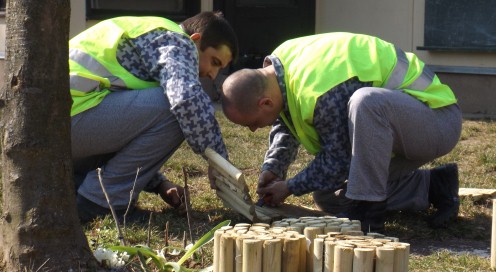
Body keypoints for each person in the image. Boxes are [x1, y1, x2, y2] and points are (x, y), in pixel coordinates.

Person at [221, 32, 461, 233]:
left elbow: (338, 161)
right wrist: (274, 167)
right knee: (328, 196)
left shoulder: (322, 90)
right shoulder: (279, 69)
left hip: (436, 118)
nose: (253, 129)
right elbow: (287, 119)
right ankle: (434, 186)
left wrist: (289, 187)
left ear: (264, 103)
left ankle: (369, 215)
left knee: (366, 102)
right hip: (402, 123)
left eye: (251, 122)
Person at [70, 12, 238, 223]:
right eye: (214, 62)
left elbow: (126, 129)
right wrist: (221, 164)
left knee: (171, 103)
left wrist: (159, 184)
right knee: (177, 107)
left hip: (64, 127)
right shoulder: (176, 41)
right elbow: (185, 101)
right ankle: (100, 203)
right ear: (195, 41)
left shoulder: (152, 33)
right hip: (71, 121)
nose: (213, 75)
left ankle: (87, 190)